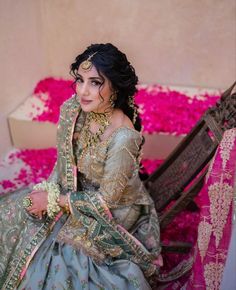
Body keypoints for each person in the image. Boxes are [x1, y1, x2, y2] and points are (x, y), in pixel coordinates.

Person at [0, 43, 163, 290]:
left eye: (95, 82)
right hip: (76, 190)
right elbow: (65, 160)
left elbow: (107, 200)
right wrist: (48, 190)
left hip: (114, 208)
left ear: (115, 88)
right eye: (80, 79)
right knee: (14, 211)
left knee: (63, 258)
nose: (83, 91)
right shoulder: (75, 110)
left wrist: (53, 200)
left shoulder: (122, 138)